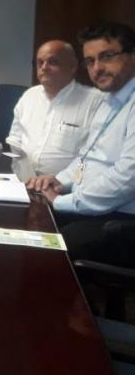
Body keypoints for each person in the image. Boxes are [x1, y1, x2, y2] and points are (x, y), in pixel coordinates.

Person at [27, 22, 135, 262]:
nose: (97, 68)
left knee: (50, 249)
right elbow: (87, 156)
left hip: (123, 219)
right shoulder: (109, 100)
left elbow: (128, 177)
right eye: (90, 61)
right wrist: (60, 180)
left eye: (107, 56)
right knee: (28, 219)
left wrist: (65, 201)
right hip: (95, 205)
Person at [6, 40, 103, 175]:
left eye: (53, 62)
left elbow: (96, 157)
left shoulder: (96, 102)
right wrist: (23, 176)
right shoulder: (29, 96)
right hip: (24, 180)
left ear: (73, 66)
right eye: (40, 63)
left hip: (69, 185)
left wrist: (65, 180)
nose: (44, 68)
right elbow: (15, 142)